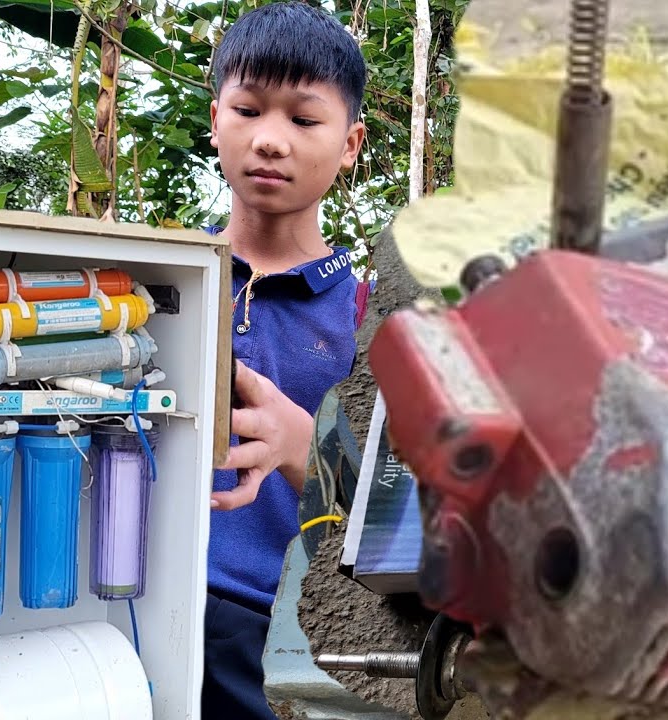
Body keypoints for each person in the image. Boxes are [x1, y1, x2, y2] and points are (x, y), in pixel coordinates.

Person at [201, 3, 370, 718]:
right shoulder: (148, 289)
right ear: (216, 120)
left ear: (351, 142)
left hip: (275, 639)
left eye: (303, 120)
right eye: (248, 109)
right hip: (131, 610)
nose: (270, 140)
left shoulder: (370, 322)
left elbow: (404, 519)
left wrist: (309, 449)